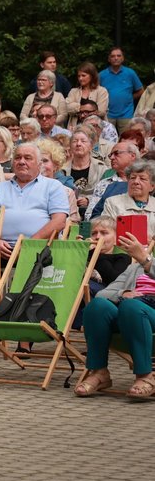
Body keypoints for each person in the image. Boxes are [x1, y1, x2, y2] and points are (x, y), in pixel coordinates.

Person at [76, 231, 155, 398]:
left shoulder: (145, 262)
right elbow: (103, 294)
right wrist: (123, 292)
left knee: (132, 307)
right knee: (97, 306)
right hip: (129, 314)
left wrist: (146, 261)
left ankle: (145, 375)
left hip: (147, 312)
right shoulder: (134, 268)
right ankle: (99, 372)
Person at [0, 142, 69, 259]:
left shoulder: (53, 186)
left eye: (28, 158)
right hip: (1, 250)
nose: (22, 161)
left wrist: (29, 245)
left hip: (39, 249)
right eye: (18, 158)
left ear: (39, 164)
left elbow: (59, 221)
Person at [101, 161, 155, 240]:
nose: (136, 182)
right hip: (122, 250)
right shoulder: (113, 203)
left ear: (152, 186)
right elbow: (106, 232)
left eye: (142, 179)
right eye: (132, 178)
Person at [86, 141, 139, 219]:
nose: (111, 158)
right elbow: (89, 215)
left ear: (132, 156)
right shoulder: (104, 183)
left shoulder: (146, 182)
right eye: (110, 155)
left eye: (116, 153)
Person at [99, 47, 144, 132]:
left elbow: (141, 91)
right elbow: (95, 92)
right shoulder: (102, 75)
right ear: (109, 59)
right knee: (107, 140)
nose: (116, 58)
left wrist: (130, 97)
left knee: (126, 139)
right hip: (107, 114)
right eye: (113, 56)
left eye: (118, 56)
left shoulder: (130, 73)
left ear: (122, 58)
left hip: (126, 114)